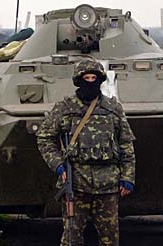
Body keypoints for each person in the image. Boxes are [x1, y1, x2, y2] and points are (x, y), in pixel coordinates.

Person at [36, 59, 136, 246]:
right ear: (78, 80)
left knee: (110, 239)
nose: (90, 82)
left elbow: (126, 144)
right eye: (86, 78)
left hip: (108, 184)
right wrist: (57, 165)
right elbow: (44, 137)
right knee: (71, 238)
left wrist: (128, 177)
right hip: (76, 183)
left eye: (94, 78)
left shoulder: (113, 109)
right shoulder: (65, 108)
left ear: (100, 80)